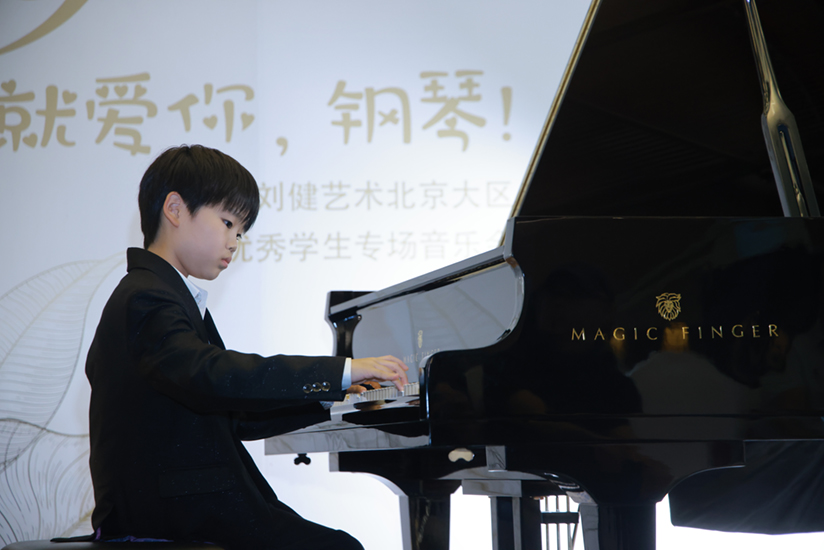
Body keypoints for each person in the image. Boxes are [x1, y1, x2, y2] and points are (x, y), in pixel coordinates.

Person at [85, 144, 408, 550]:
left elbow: (235, 417)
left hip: (183, 502)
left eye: (240, 232)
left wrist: (332, 395)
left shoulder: (163, 293)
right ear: (175, 209)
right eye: (227, 223)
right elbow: (211, 374)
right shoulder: (146, 296)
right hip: (171, 509)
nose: (234, 242)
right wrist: (340, 370)